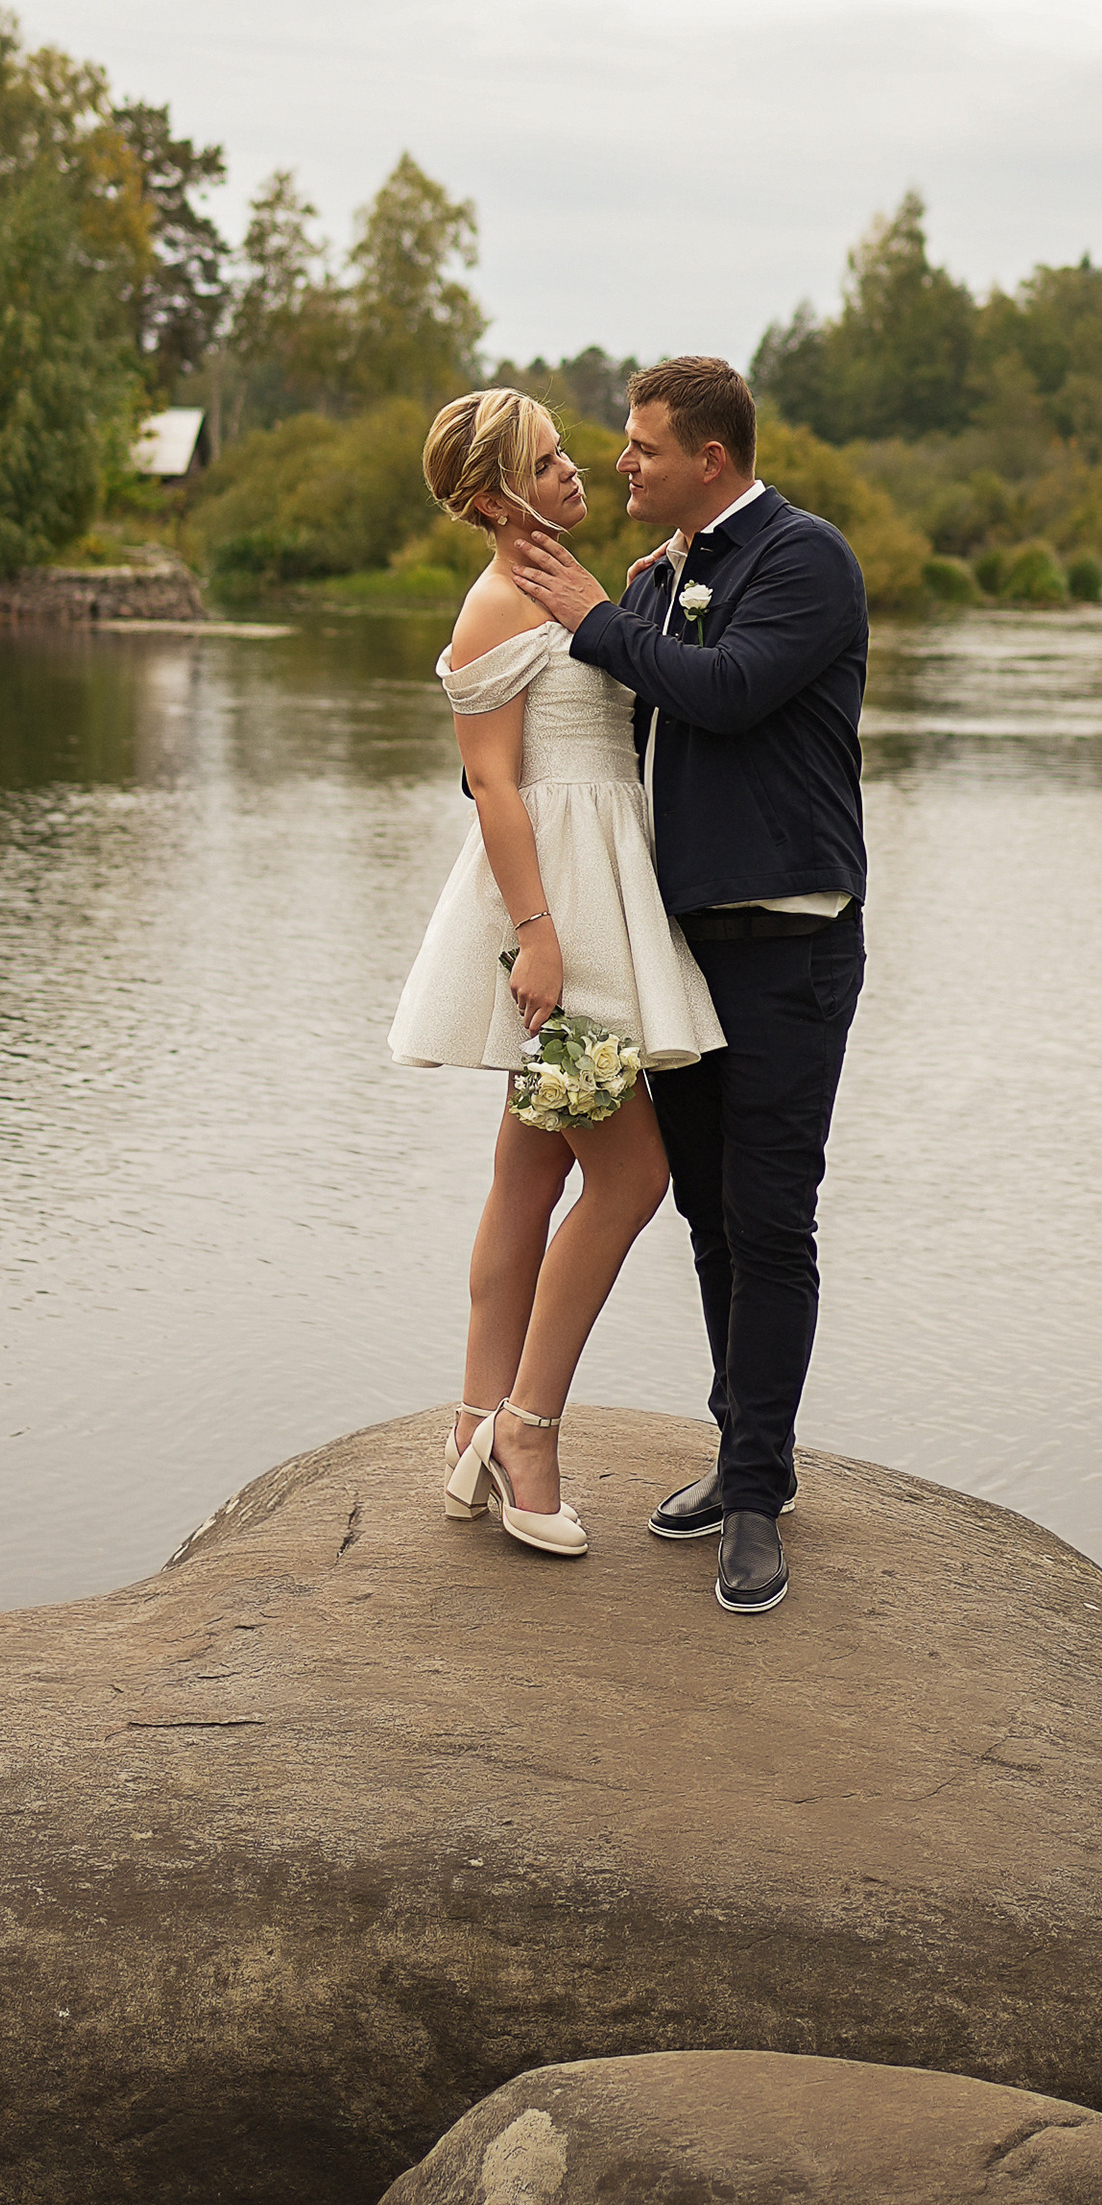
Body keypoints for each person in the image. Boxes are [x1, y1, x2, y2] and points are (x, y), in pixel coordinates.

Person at [503, 357, 867, 1619]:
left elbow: (726, 692)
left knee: (770, 1218)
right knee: (708, 1214)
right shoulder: (656, 576)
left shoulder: (802, 559)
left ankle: (759, 1499)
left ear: (709, 459)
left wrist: (592, 621)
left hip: (790, 944)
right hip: (686, 948)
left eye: (644, 446)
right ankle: (739, 1457)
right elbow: (597, 739)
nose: (623, 463)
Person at [389, 389, 724, 1562]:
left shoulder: (559, 590)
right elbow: (492, 788)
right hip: (559, 920)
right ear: (491, 499)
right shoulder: (492, 607)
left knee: (527, 1173)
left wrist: (646, 585)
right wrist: (538, 935)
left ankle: (475, 1422)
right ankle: (528, 1432)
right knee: (631, 1177)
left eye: (570, 452)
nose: (576, 471)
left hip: (594, 893)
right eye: (547, 464)